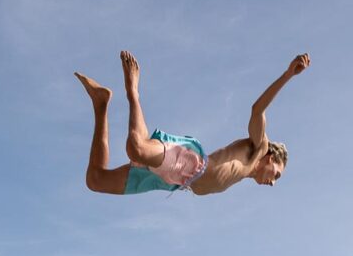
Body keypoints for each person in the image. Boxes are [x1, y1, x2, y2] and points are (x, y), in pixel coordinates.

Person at [75, 50, 310, 197]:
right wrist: (288, 75)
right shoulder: (257, 149)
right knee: (136, 147)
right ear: (271, 158)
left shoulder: (246, 172)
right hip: (189, 164)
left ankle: (101, 103)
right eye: (277, 174)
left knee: (95, 180)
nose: (273, 183)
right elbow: (258, 110)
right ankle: (132, 90)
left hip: (172, 182)